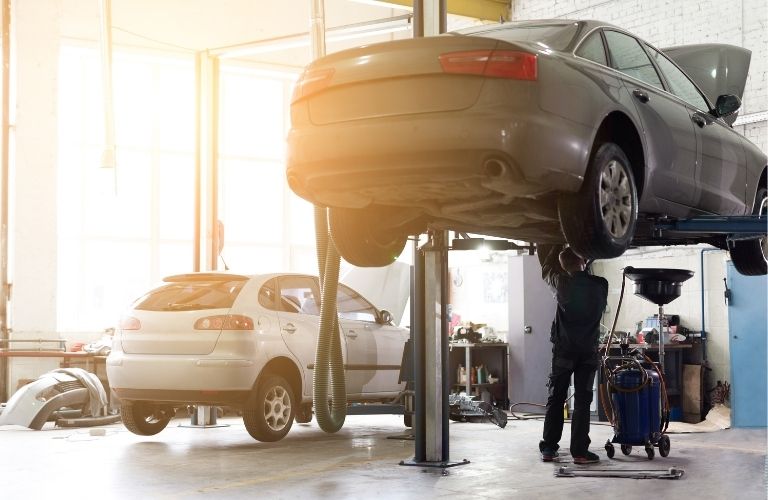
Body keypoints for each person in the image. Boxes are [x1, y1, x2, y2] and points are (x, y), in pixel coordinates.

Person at [537, 243, 608, 464]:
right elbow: (585, 269)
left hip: (564, 352)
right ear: (583, 262)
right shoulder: (600, 284)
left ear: (563, 265)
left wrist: (555, 242)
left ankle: (549, 448)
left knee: (556, 398)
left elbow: (547, 268)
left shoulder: (561, 284)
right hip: (587, 353)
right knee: (583, 402)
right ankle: (579, 452)